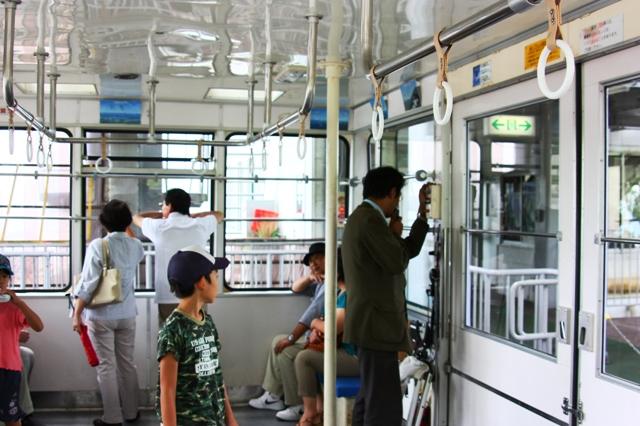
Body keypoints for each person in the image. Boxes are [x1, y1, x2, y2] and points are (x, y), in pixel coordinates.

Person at [342, 166, 430, 426]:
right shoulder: (370, 220)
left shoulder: (365, 218)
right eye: (398, 197)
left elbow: (404, 252)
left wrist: (421, 215)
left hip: (372, 324)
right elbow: (396, 261)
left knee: (370, 397)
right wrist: (395, 234)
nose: (397, 203)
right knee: (383, 406)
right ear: (391, 193)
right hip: (375, 325)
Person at [72, 200, 145, 426]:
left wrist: (76, 314)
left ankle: (112, 417)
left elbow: (88, 284)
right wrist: (126, 227)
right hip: (127, 314)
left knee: (106, 366)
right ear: (127, 221)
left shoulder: (98, 245)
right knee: (127, 364)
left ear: (104, 222)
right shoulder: (136, 246)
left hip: (101, 315)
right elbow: (131, 242)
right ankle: (131, 412)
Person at [156, 245, 238, 426]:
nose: (218, 282)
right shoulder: (173, 330)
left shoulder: (207, 322)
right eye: (216, 276)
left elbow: (216, 376)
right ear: (202, 282)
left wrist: (230, 419)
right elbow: (167, 390)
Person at [249, 242, 326, 422]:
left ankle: (298, 404)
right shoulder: (321, 282)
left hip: (320, 339)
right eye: (311, 261)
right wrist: (310, 278)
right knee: (277, 340)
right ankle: (274, 396)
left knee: (286, 350)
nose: (313, 264)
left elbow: (310, 316)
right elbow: (295, 287)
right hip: (313, 336)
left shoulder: (330, 285)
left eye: (318, 258)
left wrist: (291, 339)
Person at [132, 188, 223, 323]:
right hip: (196, 295)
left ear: (169, 205)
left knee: (169, 334)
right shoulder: (200, 225)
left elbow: (136, 217)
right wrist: (191, 216)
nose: (162, 208)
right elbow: (219, 215)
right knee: (197, 333)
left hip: (168, 294)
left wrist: (162, 214)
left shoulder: (158, 227)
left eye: (164, 205)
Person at [294, 249, 359, 426]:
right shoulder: (339, 292)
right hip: (343, 350)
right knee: (307, 354)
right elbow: (327, 320)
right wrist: (317, 329)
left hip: (355, 357)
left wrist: (314, 323)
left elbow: (332, 328)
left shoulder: (349, 295)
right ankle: (318, 410)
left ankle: (310, 414)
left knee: (304, 359)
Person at [0, 254, 44, 426]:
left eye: (4, 276)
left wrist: (20, 303)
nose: (0, 280)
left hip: (8, 369)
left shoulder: (14, 307)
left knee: (12, 419)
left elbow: (38, 326)